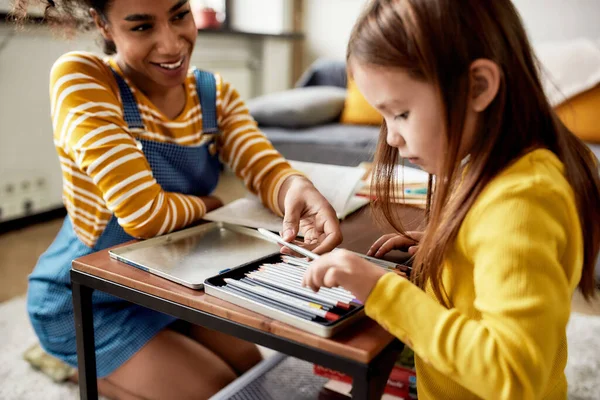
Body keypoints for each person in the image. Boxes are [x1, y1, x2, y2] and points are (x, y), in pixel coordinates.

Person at [13, 0, 342, 398]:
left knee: (250, 373)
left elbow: (264, 167)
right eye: (141, 27)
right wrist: (209, 204)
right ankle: (75, 366)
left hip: (166, 282)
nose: (171, 45)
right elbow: (145, 215)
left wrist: (295, 187)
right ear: (103, 24)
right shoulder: (82, 78)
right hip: (86, 300)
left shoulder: (214, 93)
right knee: (221, 389)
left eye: (179, 14)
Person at [302, 1, 600, 399]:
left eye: (401, 114)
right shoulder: (483, 167)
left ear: (478, 87)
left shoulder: (523, 201)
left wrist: (379, 290)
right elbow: (493, 248)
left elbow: (513, 373)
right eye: (384, 118)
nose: (391, 137)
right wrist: (448, 245)